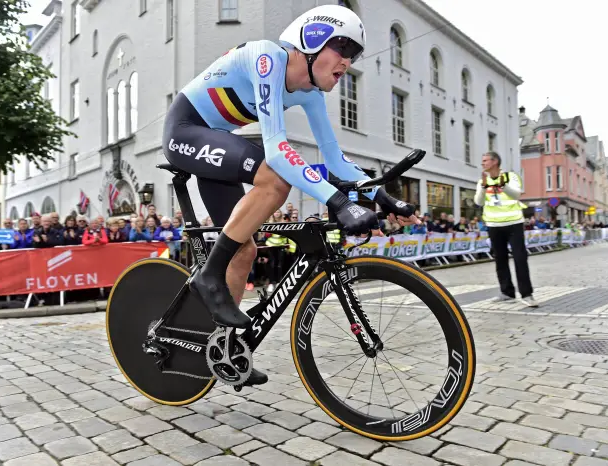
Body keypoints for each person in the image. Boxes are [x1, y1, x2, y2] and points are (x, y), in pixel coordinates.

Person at [163, 5, 419, 386]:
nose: (347, 62)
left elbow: (334, 157)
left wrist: (382, 197)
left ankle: (227, 351)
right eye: (343, 48)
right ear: (311, 41)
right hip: (185, 131)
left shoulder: (311, 95)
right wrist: (339, 202)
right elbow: (277, 149)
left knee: (244, 249)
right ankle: (209, 277)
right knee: (275, 181)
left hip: (217, 143)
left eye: (354, 54)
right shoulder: (268, 57)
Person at [474, 151, 537, 307]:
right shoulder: (482, 180)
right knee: (500, 259)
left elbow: (516, 195)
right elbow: (479, 202)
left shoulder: (510, 177)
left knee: (520, 258)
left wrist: (503, 185)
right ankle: (507, 292)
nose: (482, 163)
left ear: (495, 161)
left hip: (514, 223)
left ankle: (527, 294)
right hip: (494, 224)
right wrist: (483, 186)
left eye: (485, 160)